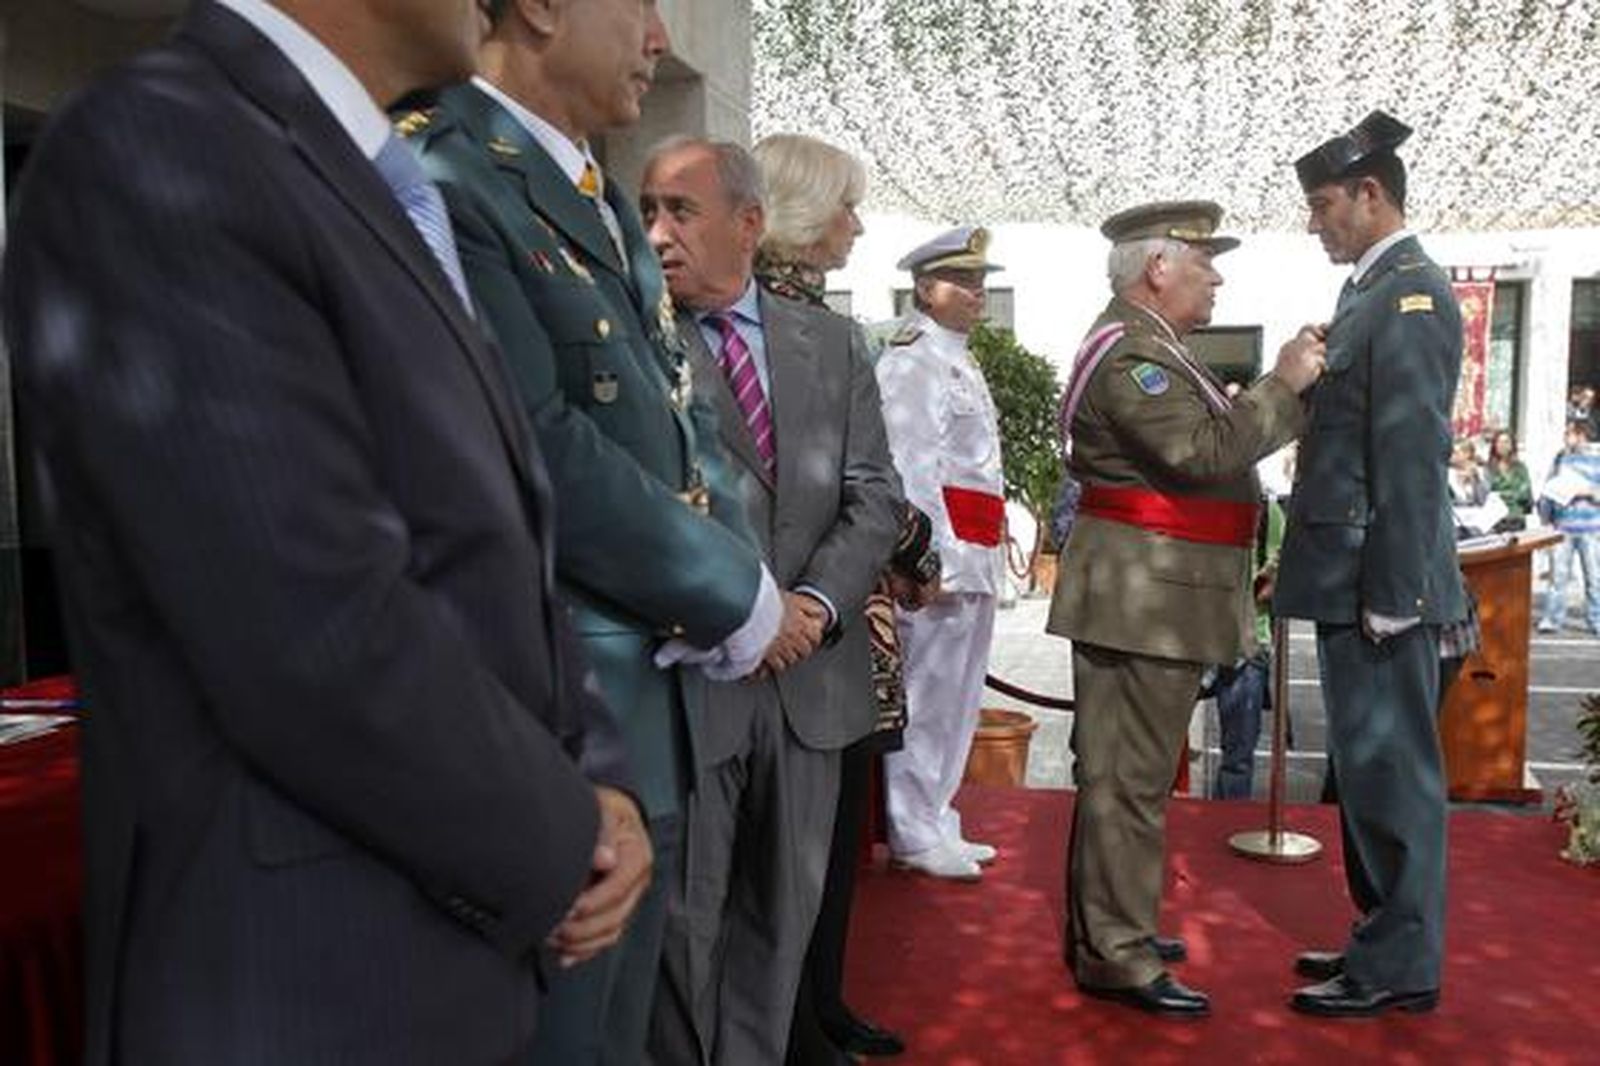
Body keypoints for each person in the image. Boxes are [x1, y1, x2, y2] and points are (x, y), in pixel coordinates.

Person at [0, 2, 650, 1063]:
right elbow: (311, 627)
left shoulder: (362, 175)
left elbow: (497, 535)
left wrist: (603, 773)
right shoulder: (164, 142)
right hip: (307, 986)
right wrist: (564, 832)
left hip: (431, 956)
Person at [398, 6, 784, 1062]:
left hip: (646, 708)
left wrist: (734, 574)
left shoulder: (597, 195)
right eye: (642, 2)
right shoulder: (448, 170)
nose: (660, 36)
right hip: (551, 708)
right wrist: (735, 596)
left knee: (618, 1037)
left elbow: (679, 414)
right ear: (543, 8)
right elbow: (535, 445)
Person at [640, 137, 903, 1064]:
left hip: (810, 686)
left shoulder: (833, 344)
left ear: (749, 224)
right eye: (648, 214)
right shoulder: (634, 337)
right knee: (683, 935)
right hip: (693, 682)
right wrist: (744, 614)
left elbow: (876, 495)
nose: (658, 236)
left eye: (681, 212)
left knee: (779, 934)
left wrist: (816, 609)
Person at [1046, 200, 1322, 1017]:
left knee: (1123, 777)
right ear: (1157, 269)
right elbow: (1202, 454)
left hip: (1148, 596)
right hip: (1142, 600)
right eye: (1205, 261)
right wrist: (1283, 383)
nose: (1217, 276)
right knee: (1127, 782)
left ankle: (1110, 927)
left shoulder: (1152, 346)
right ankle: (1117, 953)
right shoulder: (1135, 357)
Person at [749, 132, 937, 1064]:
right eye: (846, 206)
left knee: (832, 830)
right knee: (796, 848)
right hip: (799, 620)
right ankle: (800, 1019)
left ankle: (821, 1003)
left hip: (841, 614)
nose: (857, 224)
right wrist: (907, 541)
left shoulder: (826, 324)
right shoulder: (763, 321)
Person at [1275, 110, 1467, 1018]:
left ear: (1370, 194)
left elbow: (1410, 457)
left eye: (1323, 206)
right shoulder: (1369, 292)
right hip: (1349, 576)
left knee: (1393, 776)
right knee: (1363, 773)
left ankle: (1400, 963)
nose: (1315, 222)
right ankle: (1380, 936)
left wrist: (1397, 593)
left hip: (1379, 586)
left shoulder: (1412, 294)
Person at [876, 226, 1008, 882]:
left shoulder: (956, 354)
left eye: (982, 280)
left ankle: (935, 811)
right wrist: (929, 559)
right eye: (963, 281)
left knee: (958, 694)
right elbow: (909, 468)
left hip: (974, 548)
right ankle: (910, 826)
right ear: (926, 290)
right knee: (926, 691)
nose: (978, 292)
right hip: (943, 555)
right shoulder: (914, 356)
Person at [1212, 494, 1285, 800]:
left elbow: (1280, 566)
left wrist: (1256, 587)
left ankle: (1226, 822)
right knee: (1157, 746)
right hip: (1190, 637)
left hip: (1248, 642)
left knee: (1238, 757)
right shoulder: (1192, 496)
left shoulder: (1266, 510)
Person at [1536, 419, 1600, 634]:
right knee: (1558, 576)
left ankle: (1596, 620)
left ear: (1581, 435)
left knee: (1594, 577)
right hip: (1562, 527)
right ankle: (1552, 619)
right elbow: (1548, 488)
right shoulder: (1560, 458)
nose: (1566, 437)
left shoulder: (1597, 459)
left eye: (1569, 433)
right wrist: (1545, 518)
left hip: (1591, 528)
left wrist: (1589, 492)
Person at [1486, 428, 1533, 526]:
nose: (1502, 445)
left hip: (1517, 518)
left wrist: (1504, 495)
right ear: (1494, 445)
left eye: (1506, 442)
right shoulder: (1488, 468)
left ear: (1512, 445)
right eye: (1499, 442)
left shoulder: (1520, 467)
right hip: (1495, 520)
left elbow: (1526, 494)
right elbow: (1488, 494)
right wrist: (1512, 494)